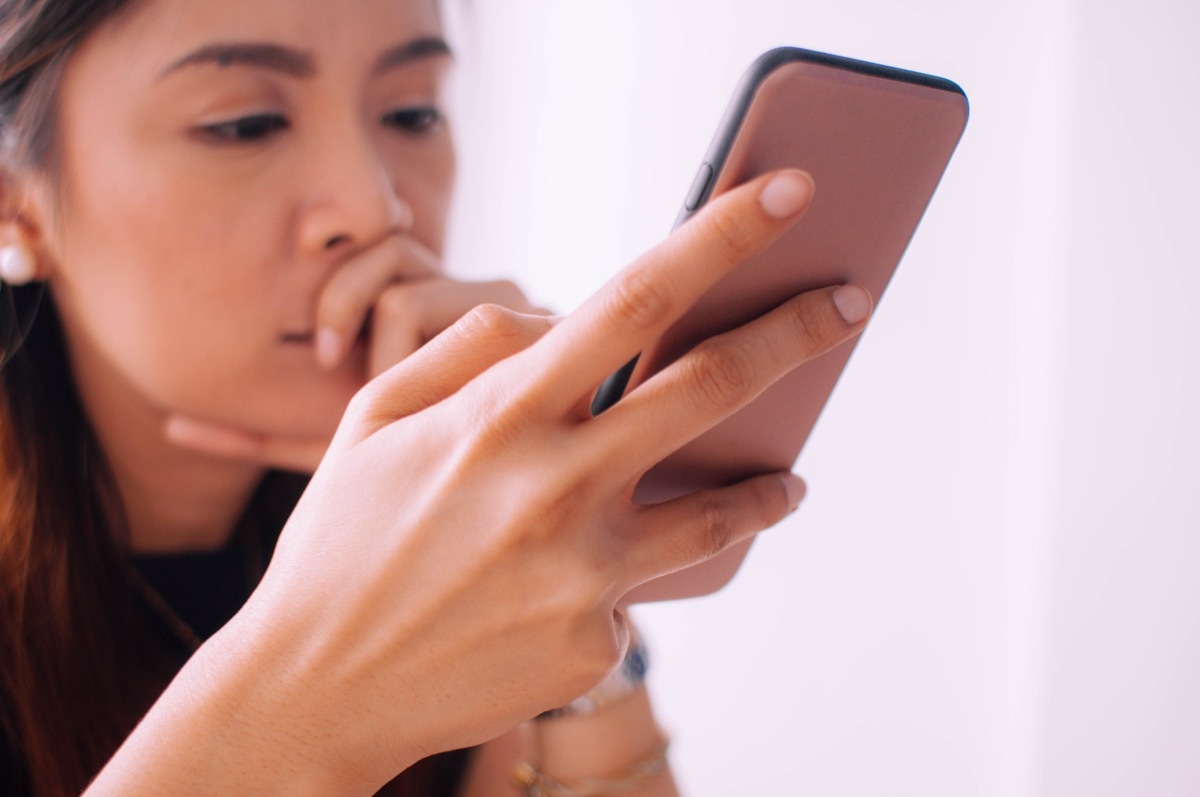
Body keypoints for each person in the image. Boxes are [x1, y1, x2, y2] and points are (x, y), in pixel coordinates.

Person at [0, 0, 872, 794]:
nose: (374, 206)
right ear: (15, 205)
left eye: (412, 111)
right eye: (246, 124)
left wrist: (574, 603)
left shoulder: (436, 543)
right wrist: (313, 689)